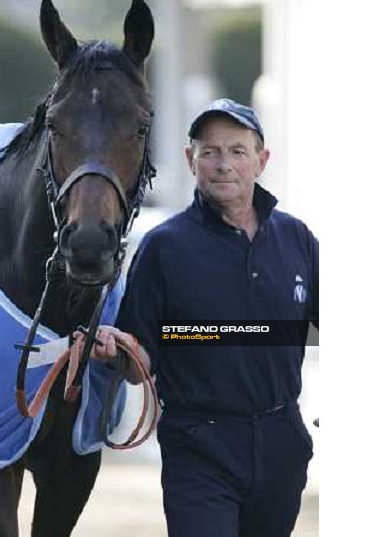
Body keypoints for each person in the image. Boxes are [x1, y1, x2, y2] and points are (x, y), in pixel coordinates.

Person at [90, 98, 319, 537]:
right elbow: (140, 362)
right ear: (190, 160)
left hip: (281, 441)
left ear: (261, 160)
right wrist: (119, 351)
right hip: (199, 444)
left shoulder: (296, 238)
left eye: (237, 151)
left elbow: (315, 331)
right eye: (209, 152)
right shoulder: (163, 248)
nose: (223, 164)